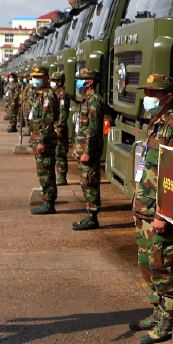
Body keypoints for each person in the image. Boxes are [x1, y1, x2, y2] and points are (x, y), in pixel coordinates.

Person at [129, 73, 173, 344]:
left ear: (167, 98)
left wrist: (163, 215)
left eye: (154, 94)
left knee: (164, 269)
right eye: (147, 92)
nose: (148, 98)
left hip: (159, 214)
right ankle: (157, 312)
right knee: (147, 265)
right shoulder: (155, 123)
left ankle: (167, 322)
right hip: (144, 209)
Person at [71, 68, 106, 231]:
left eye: (81, 78)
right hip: (83, 149)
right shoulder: (86, 100)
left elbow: (94, 129)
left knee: (90, 182)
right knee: (85, 181)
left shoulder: (94, 101)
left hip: (89, 151)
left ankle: (92, 217)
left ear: (90, 82)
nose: (78, 81)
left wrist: (87, 151)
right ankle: (89, 214)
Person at [24, 66, 62, 215]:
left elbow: (48, 121)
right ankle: (46, 199)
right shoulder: (37, 94)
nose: (35, 79)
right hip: (37, 138)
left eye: (38, 76)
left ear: (46, 78)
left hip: (44, 140)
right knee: (42, 171)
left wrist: (42, 141)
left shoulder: (48, 96)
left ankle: (48, 202)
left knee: (46, 172)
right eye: (34, 76)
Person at [51, 72, 71, 186]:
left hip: (60, 129)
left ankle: (62, 177)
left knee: (60, 153)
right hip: (54, 127)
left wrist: (59, 128)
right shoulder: (55, 93)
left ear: (59, 82)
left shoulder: (62, 94)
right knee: (56, 153)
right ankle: (59, 175)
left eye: (53, 80)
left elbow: (63, 113)